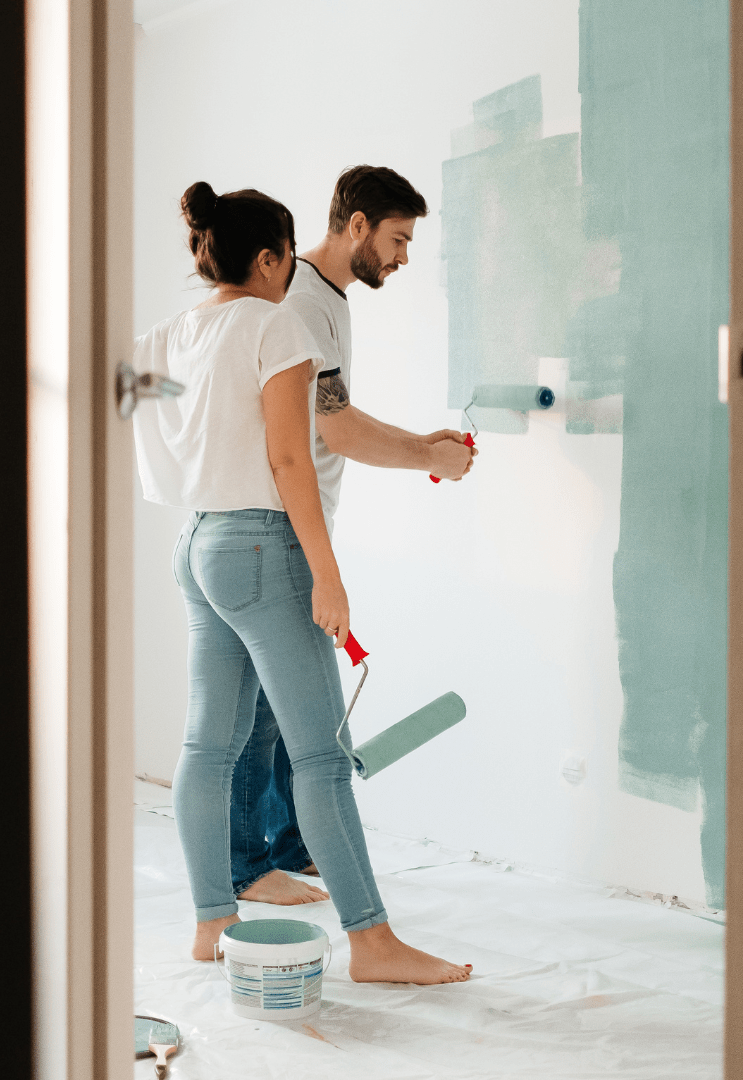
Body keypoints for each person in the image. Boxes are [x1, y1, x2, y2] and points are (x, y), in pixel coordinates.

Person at [133, 180, 471, 984]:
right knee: (321, 756)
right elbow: (292, 461)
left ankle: (213, 921)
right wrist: (329, 576)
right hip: (261, 546)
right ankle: (374, 943)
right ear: (270, 257)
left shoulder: (174, 332)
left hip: (197, 542)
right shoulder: (275, 323)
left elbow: (142, 406)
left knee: (205, 746)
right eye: (286, 261)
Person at [229, 166, 477, 906]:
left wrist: (420, 441)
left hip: (289, 529)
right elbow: (333, 427)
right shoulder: (304, 301)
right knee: (265, 711)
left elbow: (335, 413)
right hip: (274, 531)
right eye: (398, 239)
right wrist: (429, 458)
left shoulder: (324, 300)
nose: (403, 257)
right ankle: (250, 864)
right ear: (358, 225)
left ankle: (289, 846)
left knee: (278, 707)